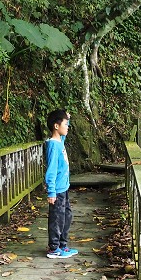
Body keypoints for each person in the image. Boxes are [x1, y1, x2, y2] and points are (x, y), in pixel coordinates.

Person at [44, 109, 78, 259]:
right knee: (57, 218)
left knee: (66, 216)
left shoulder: (59, 141)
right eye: (65, 124)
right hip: (57, 189)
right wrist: (51, 191)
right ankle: (54, 248)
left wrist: (67, 118)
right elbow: (51, 170)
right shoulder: (53, 145)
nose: (68, 126)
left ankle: (63, 246)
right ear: (56, 126)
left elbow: (63, 135)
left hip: (64, 188)